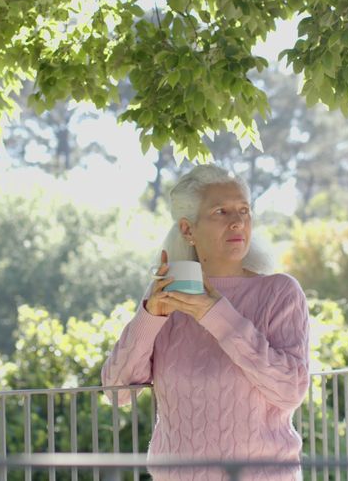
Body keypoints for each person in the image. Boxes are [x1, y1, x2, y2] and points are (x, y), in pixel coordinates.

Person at [101, 164, 310, 481]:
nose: (238, 221)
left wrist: (216, 314)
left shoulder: (279, 293)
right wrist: (150, 316)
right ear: (187, 230)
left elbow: (290, 390)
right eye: (221, 212)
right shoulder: (165, 300)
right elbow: (117, 393)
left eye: (243, 210)